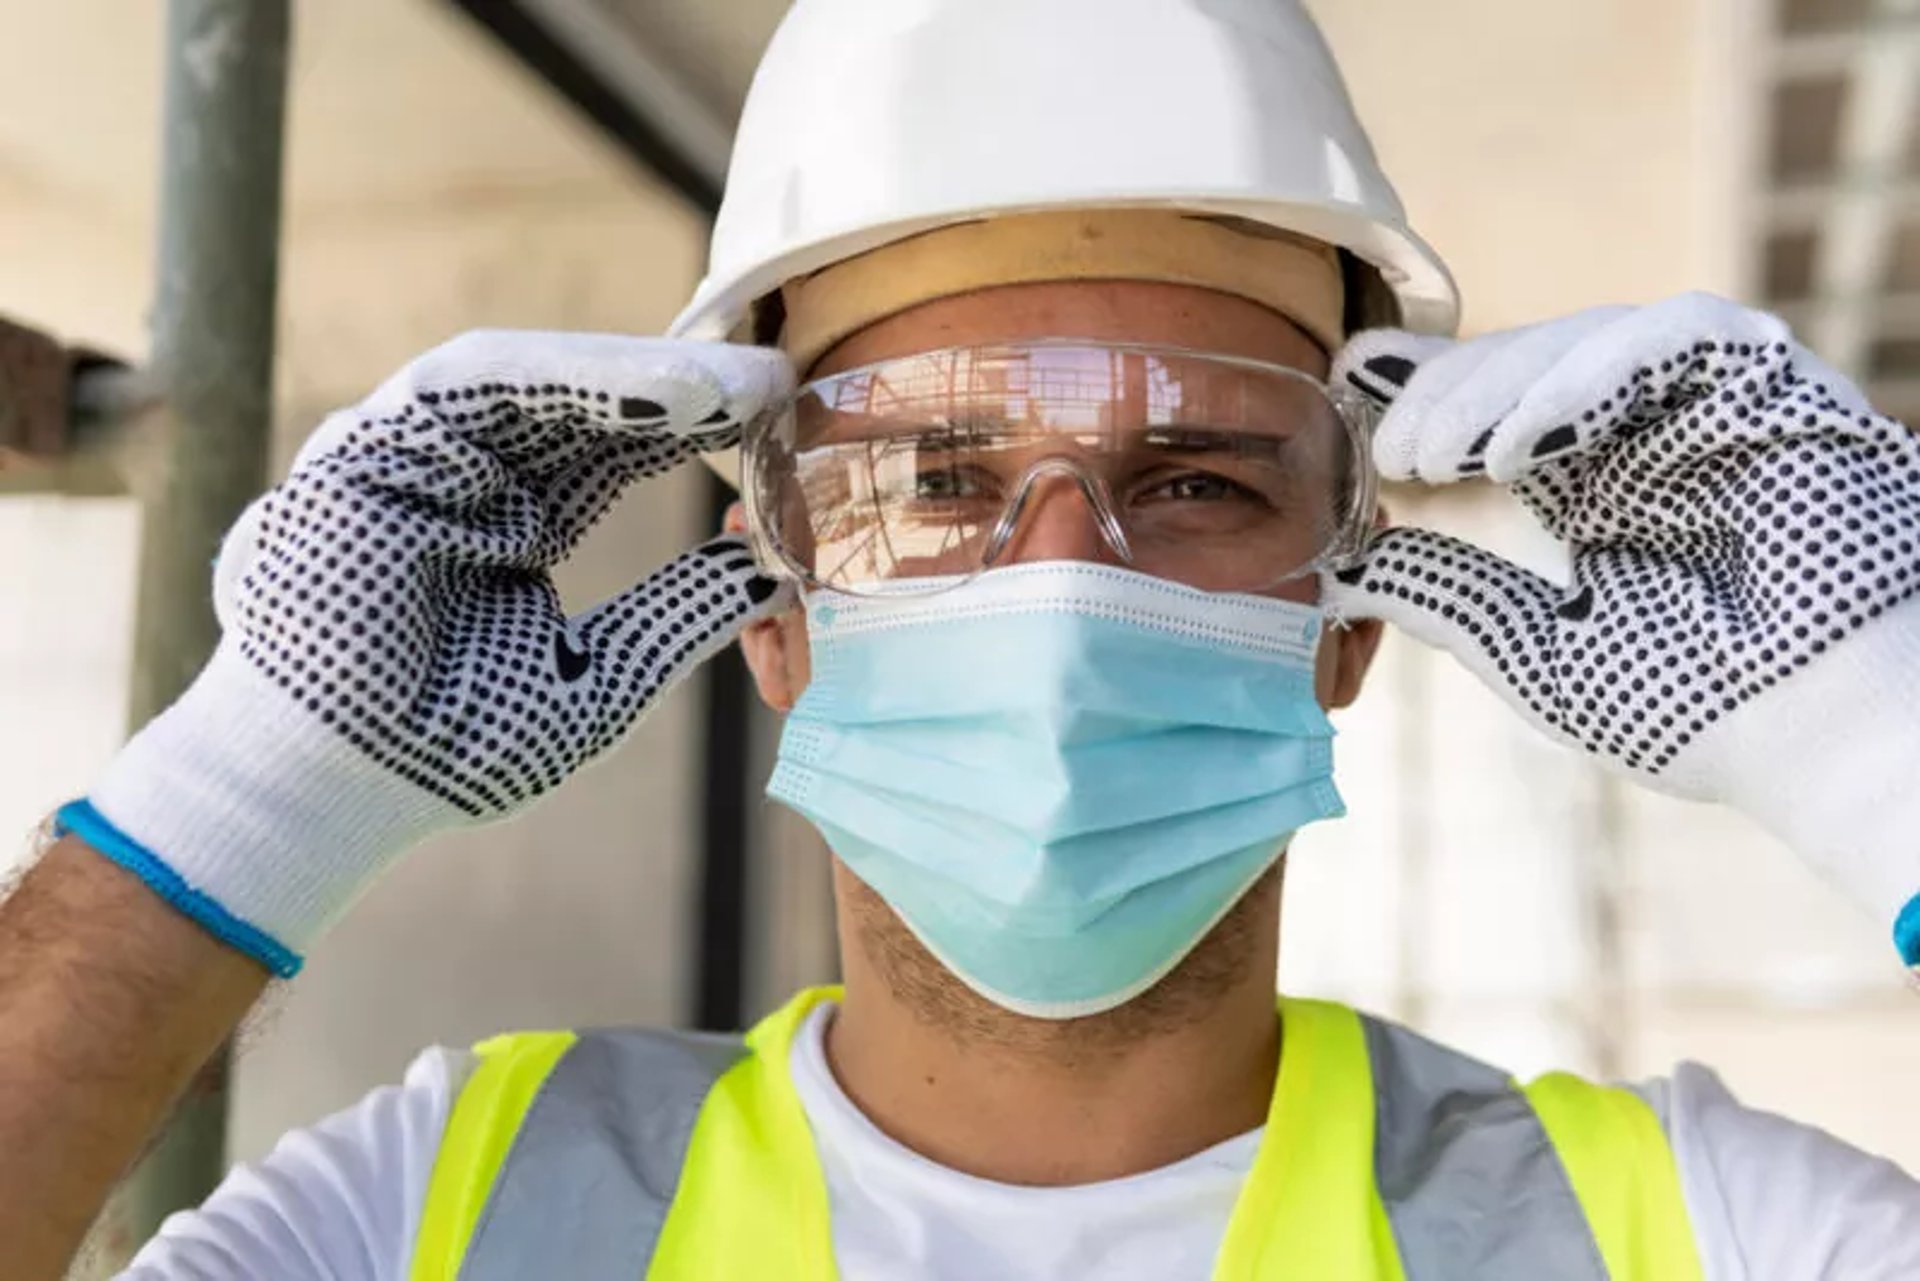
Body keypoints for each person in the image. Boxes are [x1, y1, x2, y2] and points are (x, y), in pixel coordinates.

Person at [3, 0, 1917, 1277]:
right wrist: (252, 787)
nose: (1057, 586)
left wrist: (1884, 756)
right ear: (771, 607)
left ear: (1348, 621)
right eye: (932, 475)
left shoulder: (1696, 1229)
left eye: (1194, 481)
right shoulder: (440, 1209)